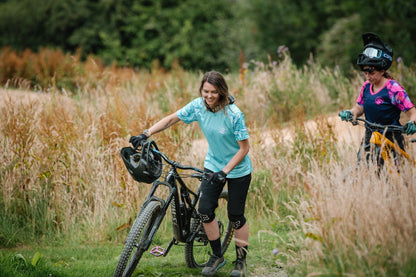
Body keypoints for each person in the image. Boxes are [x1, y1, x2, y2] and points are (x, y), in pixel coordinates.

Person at [129, 71, 253, 277]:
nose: (209, 96)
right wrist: (146, 133)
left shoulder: (234, 115)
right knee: (204, 211)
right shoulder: (198, 106)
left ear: (222, 92)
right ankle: (217, 256)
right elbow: (171, 119)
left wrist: (226, 171)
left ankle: (241, 262)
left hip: (238, 169)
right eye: (206, 91)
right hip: (213, 165)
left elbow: (244, 149)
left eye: (214, 92)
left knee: (235, 215)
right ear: (201, 90)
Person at [339, 32, 416, 166]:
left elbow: (412, 111)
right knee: (362, 169)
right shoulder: (366, 87)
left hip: (392, 137)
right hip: (371, 136)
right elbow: (359, 107)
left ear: (382, 70)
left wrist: (412, 123)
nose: (368, 76)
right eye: (365, 73)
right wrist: (351, 113)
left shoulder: (393, 88)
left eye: (372, 72)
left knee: (392, 177)